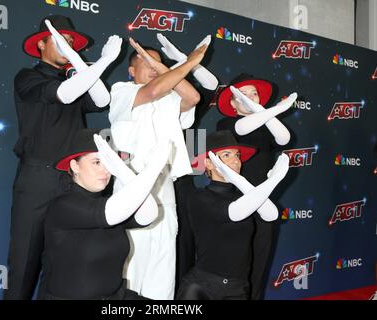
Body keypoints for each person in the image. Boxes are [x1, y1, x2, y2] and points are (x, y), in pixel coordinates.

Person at [4, 14, 122, 299]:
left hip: (72, 183)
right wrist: (103, 62)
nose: (68, 46)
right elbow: (65, 95)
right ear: (41, 44)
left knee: (66, 265)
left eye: (71, 42)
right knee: (23, 267)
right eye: (61, 41)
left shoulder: (77, 79)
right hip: (38, 180)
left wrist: (82, 65)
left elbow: (102, 100)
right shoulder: (28, 76)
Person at [108, 36, 212, 300]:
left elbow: (193, 96)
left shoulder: (169, 99)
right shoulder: (122, 91)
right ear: (131, 70)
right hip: (133, 186)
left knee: (162, 273)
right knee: (133, 271)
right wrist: (189, 63)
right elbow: (152, 90)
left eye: (158, 62)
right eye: (146, 60)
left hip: (165, 191)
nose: (154, 65)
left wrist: (168, 66)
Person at [38, 129, 172, 300]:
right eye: (97, 162)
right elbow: (112, 212)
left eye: (109, 163)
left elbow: (149, 214)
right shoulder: (63, 205)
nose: (105, 170)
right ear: (74, 166)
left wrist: (122, 170)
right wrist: (152, 169)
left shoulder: (111, 204)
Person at [177, 130, 289, 300]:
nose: (236, 160)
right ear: (208, 163)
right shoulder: (199, 197)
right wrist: (273, 180)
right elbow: (235, 213)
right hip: (203, 289)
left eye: (237, 155)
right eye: (227, 155)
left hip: (238, 289)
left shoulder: (246, 198)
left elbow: (271, 215)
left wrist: (239, 180)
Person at [215, 74, 297, 299]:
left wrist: (264, 111)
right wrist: (270, 110)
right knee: (235, 262)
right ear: (233, 103)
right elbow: (242, 129)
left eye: (254, 94)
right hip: (234, 200)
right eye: (244, 95)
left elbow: (283, 138)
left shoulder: (266, 123)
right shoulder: (226, 124)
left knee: (260, 260)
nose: (252, 98)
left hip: (263, 201)